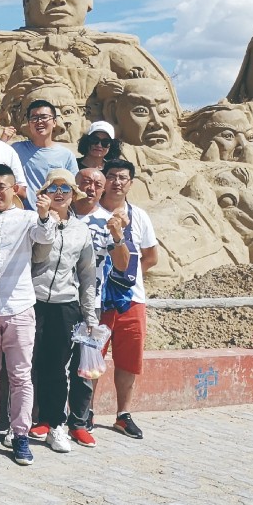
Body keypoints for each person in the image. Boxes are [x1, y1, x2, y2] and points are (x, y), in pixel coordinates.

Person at [0, 164, 56, 467]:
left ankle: (20, 434)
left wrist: (44, 214)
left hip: (19, 307)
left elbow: (45, 237)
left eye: (1, 186)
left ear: (13, 188)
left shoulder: (28, 218)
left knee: (20, 375)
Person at [28, 169, 99, 453]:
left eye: (65, 189)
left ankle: (54, 421)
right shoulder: (34, 222)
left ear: (73, 195)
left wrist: (89, 314)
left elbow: (87, 274)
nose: (59, 193)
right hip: (33, 299)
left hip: (65, 303)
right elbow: (37, 257)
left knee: (57, 365)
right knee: (29, 361)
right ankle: (31, 418)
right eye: (53, 188)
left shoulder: (81, 230)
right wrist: (46, 221)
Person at [90, 158, 158, 440]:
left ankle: (123, 414)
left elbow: (151, 256)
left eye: (123, 178)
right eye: (112, 176)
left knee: (128, 359)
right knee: (92, 358)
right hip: (97, 301)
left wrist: (126, 277)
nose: (116, 182)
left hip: (131, 300)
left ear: (131, 183)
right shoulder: (91, 213)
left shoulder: (139, 216)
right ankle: (85, 412)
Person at [13, 99, 79, 207]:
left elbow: (74, 188)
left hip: (54, 214)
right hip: (25, 214)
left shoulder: (66, 155)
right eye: (34, 118)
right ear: (29, 123)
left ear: (54, 122)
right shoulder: (16, 150)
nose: (39, 122)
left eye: (44, 117)